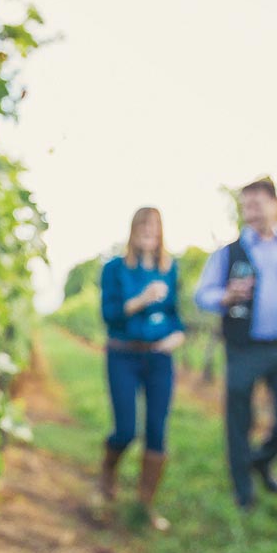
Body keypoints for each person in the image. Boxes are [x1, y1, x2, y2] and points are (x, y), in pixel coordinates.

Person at [194, 179, 277, 510]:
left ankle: (261, 460)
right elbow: (202, 294)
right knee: (239, 417)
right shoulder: (229, 252)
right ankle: (243, 490)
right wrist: (225, 296)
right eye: (245, 204)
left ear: (276, 204)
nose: (249, 210)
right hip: (244, 347)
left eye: (256, 203)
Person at [98, 207, 186, 530]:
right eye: (143, 225)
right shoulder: (115, 269)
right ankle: (108, 471)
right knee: (125, 429)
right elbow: (110, 315)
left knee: (157, 431)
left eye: (155, 225)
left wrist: (178, 334)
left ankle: (145, 505)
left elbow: (176, 314)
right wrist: (142, 299)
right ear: (133, 230)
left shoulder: (170, 268)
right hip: (123, 355)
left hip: (159, 358)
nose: (149, 230)